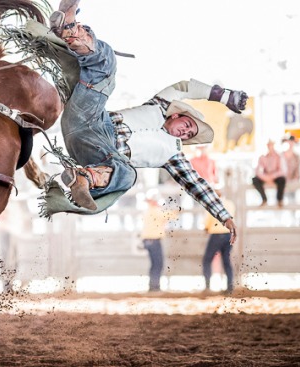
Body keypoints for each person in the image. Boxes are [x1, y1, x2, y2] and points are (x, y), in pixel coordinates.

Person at [48, 1, 246, 242]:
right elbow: (185, 87)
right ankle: (69, 28)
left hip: (98, 153)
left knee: (128, 176)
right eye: (188, 125)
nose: (186, 133)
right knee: (107, 63)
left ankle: (85, 178)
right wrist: (225, 96)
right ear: (177, 115)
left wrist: (224, 215)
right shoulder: (160, 105)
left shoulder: (174, 156)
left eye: (189, 136)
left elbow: (198, 185)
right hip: (91, 117)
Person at [140, 191, 177, 292]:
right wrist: (176, 210)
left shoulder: (148, 211)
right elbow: (170, 215)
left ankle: (153, 285)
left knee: (154, 263)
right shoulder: (155, 211)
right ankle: (155, 286)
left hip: (148, 239)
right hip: (154, 239)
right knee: (158, 263)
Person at [202, 189, 236, 294]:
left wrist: (206, 228)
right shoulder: (230, 204)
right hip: (228, 234)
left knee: (207, 260)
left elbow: (208, 220)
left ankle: (207, 286)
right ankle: (230, 287)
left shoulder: (211, 205)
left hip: (216, 234)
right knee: (226, 260)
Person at [252, 140, 287, 208]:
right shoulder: (262, 157)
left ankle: (279, 200)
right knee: (254, 179)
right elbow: (257, 170)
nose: (270, 146)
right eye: (268, 145)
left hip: (275, 177)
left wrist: (272, 176)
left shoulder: (279, 156)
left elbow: (282, 171)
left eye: (271, 144)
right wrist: (265, 177)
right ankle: (264, 199)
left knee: (282, 179)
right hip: (265, 176)